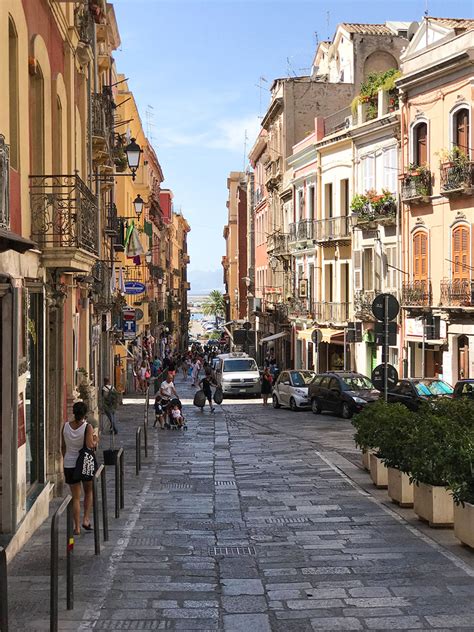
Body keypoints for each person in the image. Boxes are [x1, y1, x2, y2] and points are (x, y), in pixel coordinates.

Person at [62, 401, 98, 535]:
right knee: (88, 492)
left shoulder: (65, 426)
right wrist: (96, 439)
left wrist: (66, 459)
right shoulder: (87, 427)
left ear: (74, 412)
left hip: (69, 464)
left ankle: (76, 527)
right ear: (85, 413)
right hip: (84, 464)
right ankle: (86, 519)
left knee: (75, 497)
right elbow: (90, 445)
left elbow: (63, 447)